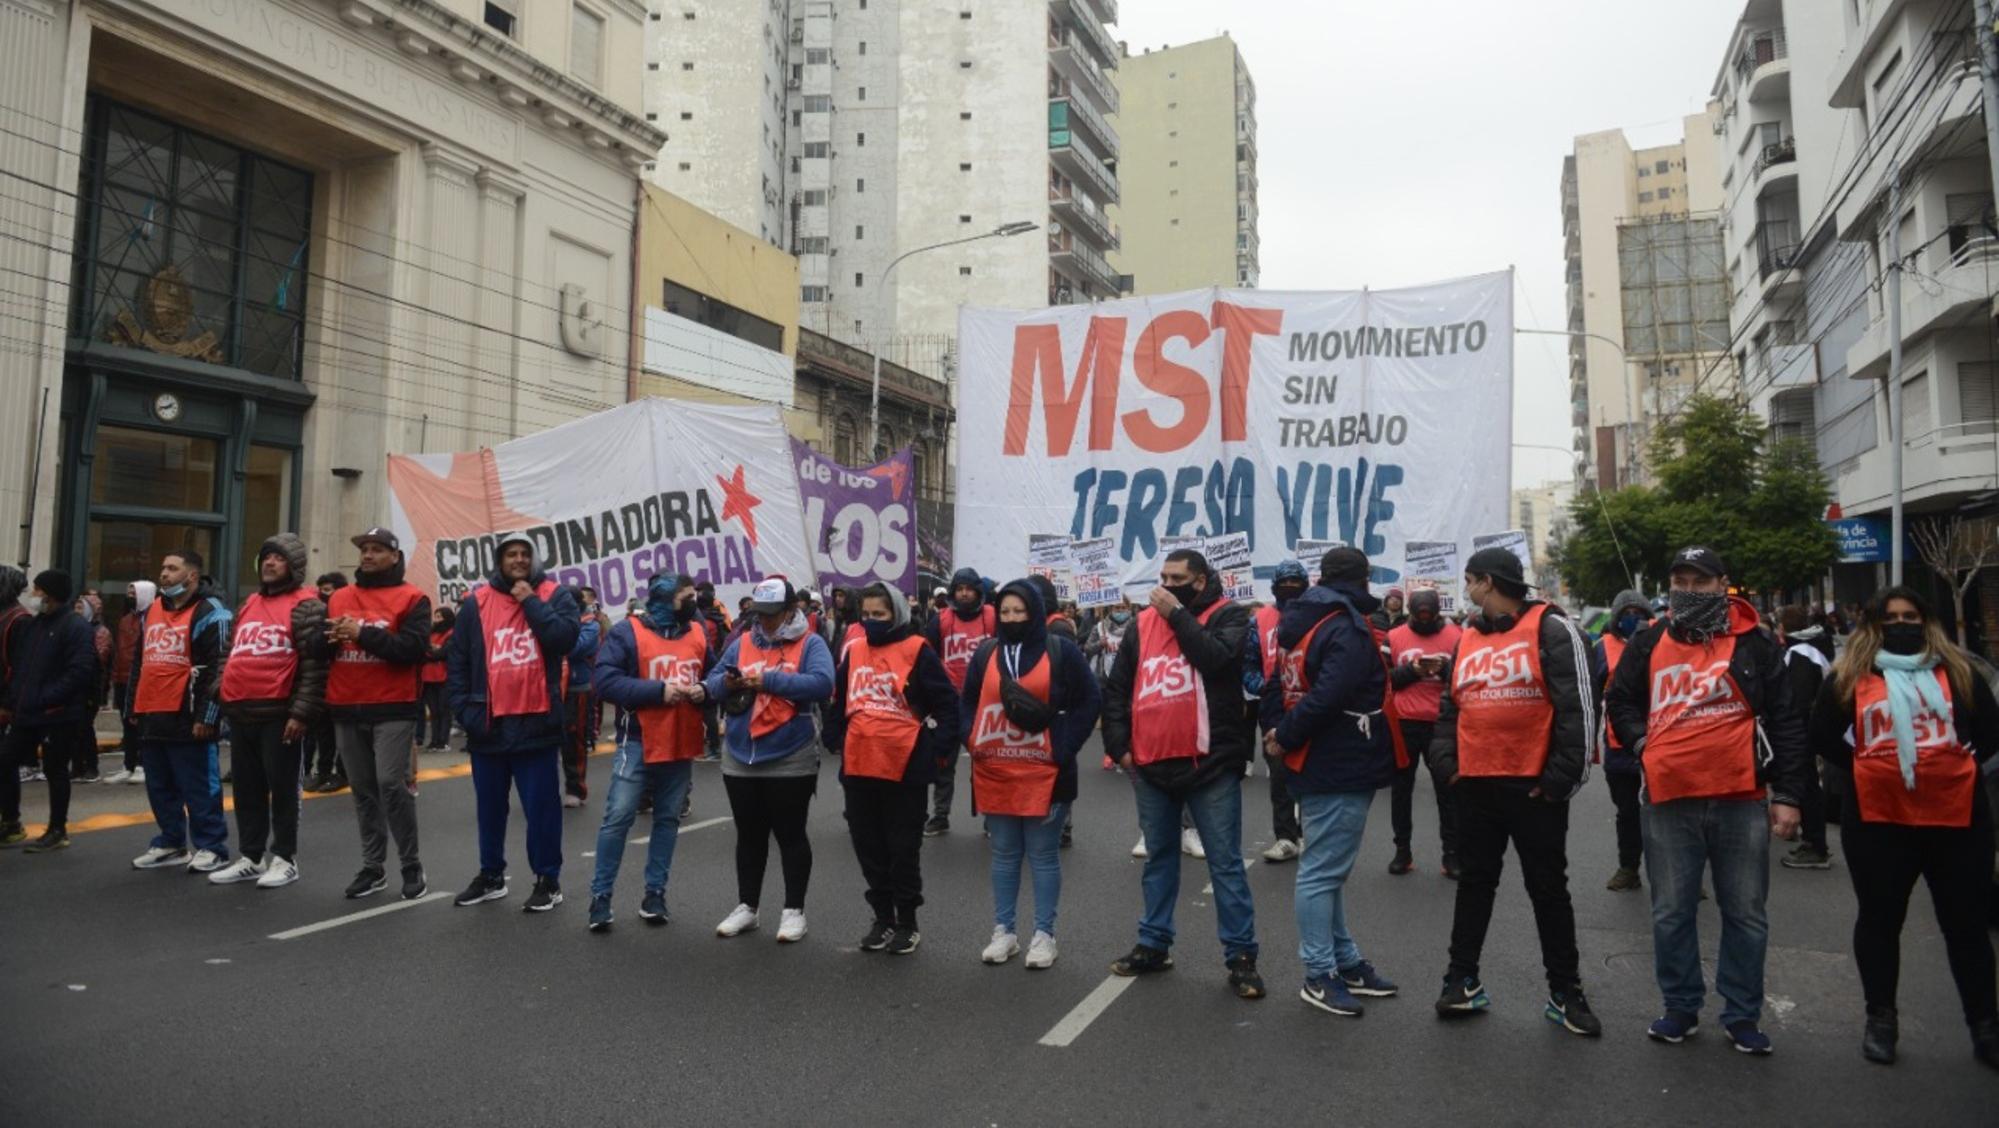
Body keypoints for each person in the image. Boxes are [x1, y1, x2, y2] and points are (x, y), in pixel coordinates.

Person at [1605, 546, 1807, 1054]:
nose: (1689, 590)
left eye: (1701, 581)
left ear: (1723, 585)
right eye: (1681, 581)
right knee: (1671, 911)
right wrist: (1640, 743)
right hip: (1669, 797)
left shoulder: (1754, 644)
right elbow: (1620, 700)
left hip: (1741, 797)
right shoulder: (1649, 642)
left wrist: (1788, 794)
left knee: (1746, 913)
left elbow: (1786, 717)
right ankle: (1680, 1007)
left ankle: (1742, 1014)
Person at [1807, 586, 1998, 1068]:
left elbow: (1991, 733)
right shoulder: (1847, 677)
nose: (1901, 624)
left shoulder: (1960, 672)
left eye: (1910, 616)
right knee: (1879, 920)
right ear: (1873, 624)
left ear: (1926, 620)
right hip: (1878, 820)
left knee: (1966, 926)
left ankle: (1985, 1026)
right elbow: (1823, 736)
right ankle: (1881, 1020)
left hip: (1957, 819)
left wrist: (1956, 767)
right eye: (1890, 617)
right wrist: (1869, 767)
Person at [1425, 546, 1599, 1036]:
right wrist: (1448, 767)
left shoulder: (1552, 628)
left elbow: (1579, 709)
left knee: (1548, 890)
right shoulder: (1467, 638)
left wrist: (1558, 781)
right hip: (1476, 787)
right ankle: (1461, 980)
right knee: (1475, 884)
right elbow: (1449, 711)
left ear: (1487, 581)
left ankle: (1565, 991)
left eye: (1470, 580)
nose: (1466, 589)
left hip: (1534, 790)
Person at [1101, 549, 1265, 1000]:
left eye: (1178, 578)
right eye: (1163, 577)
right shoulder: (1140, 624)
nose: (1166, 584)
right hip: (1152, 763)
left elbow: (1215, 659)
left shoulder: (1228, 615)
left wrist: (1176, 616)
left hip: (1209, 764)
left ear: (1199, 581)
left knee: (1225, 863)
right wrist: (1120, 747)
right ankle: (1154, 943)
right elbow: (1118, 687)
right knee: (1159, 859)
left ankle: (1241, 958)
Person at [1265, 548, 1404, 1016]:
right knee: (1322, 871)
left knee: (1329, 869)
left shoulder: (1303, 619)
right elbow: (1331, 693)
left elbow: (1278, 685)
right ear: (1363, 580)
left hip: (1319, 755)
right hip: (1339, 756)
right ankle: (1318, 974)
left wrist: (1281, 732)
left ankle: (1343, 962)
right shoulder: (1342, 625)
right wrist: (1284, 735)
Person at [957, 579, 1098, 968]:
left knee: (1042, 854)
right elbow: (967, 699)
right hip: (996, 771)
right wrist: (971, 739)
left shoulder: (1062, 651)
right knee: (1003, 853)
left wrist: (1065, 747)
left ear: (1035, 612)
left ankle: (1043, 935)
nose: (1013, 618)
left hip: (1046, 773)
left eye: (1020, 611)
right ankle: (1004, 932)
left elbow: (1090, 699)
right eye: (1005, 612)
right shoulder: (986, 652)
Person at [447, 533, 582, 913]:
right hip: (488, 724)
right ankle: (491, 875)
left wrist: (530, 601)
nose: (519, 560)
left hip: (535, 723)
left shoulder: (555, 595)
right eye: (511, 554)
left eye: (525, 554)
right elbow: (457, 660)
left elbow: (563, 639)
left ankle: (547, 879)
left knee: (541, 810)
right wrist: (465, 711)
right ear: (499, 560)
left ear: (534, 560)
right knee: (489, 809)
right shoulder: (476, 602)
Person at [827, 582, 961, 955]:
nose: (871, 622)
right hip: (859, 765)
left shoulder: (917, 649)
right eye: (866, 615)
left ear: (897, 614)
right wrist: (834, 735)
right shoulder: (853, 650)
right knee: (868, 847)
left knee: (902, 848)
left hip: (905, 768)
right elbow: (839, 701)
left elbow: (947, 705)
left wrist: (936, 750)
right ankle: (882, 918)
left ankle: (907, 921)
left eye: (879, 615)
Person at [702, 577, 835, 942]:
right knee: (749, 835)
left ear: (792, 610)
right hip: (741, 752)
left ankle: (794, 911)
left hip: (791, 753)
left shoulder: (811, 642)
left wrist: (768, 681)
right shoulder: (742, 640)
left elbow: (823, 684)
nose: (765, 622)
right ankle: (748, 907)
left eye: (773, 615)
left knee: (790, 834)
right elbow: (712, 683)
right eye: (760, 614)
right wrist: (728, 684)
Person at [585, 574, 711, 931]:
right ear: (666, 599)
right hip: (638, 740)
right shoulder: (628, 632)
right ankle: (601, 897)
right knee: (619, 817)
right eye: (686, 597)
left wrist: (706, 689)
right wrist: (657, 691)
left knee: (668, 818)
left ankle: (655, 893)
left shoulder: (698, 632)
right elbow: (605, 681)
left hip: (681, 740)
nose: (693, 603)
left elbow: (713, 674)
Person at [209, 534, 326, 888]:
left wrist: (301, 714)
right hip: (241, 711)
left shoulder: (308, 606)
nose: (271, 564)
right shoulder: (249, 603)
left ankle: (285, 858)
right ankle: (251, 856)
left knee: (283, 790)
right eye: (266, 558)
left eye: (278, 558)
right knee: (246, 789)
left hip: (280, 714)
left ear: (294, 565)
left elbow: (315, 666)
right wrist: (220, 690)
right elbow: (229, 652)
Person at [319, 529, 429, 900]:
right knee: (364, 791)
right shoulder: (338, 598)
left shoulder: (413, 598)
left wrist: (362, 633)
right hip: (346, 706)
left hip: (393, 707)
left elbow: (413, 649)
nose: (367, 555)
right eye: (364, 549)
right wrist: (326, 642)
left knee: (390, 784)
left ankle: (411, 865)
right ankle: (373, 867)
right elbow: (320, 649)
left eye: (377, 550)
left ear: (394, 557)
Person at [125, 551, 234, 873]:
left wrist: (208, 716)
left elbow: (219, 669)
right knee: (160, 786)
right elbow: (139, 661)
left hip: (188, 715)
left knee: (199, 785)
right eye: (163, 567)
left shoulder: (213, 611)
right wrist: (133, 704)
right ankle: (171, 842)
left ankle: (212, 846)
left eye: (172, 568)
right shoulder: (154, 608)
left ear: (191, 576)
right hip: (152, 710)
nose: (164, 574)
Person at [0, 570, 101, 851]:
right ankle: (10, 821)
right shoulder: (35, 626)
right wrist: (14, 701)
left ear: (52, 594)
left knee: (56, 770)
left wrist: (47, 697)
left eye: (38, 590)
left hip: (58, 714)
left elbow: (79, 672)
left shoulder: (75, 627)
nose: (34, 595)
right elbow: (20, 667)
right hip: (28, 712)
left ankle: (57, 829)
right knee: (5, 760)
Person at [1386, 587, 1464, 876]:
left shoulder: (1457, 636)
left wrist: (1444, 670)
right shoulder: (1393, 637)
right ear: (1409, 611)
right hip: (1405, 722)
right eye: (1419, 617)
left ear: (1438, 612)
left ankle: (1452, 855)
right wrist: (1413, 671)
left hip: (1443, 724)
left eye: (1429, 617)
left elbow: (1467, 677)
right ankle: (1402, 852)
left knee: (1448, 790)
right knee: (1401, 790)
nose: (1424, 621)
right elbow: (1382, 680)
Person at [920, 567, 996, 836]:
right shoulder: (940, 619)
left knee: (985, 761)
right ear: (953, 592)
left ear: (978, 591)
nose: (964, 593)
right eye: (959, 589)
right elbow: (926, 658)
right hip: (949, 701)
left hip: (984, 700)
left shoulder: (992, 616)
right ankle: (941, 815)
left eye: (969, 588)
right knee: (943, 759)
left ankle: (991, 817)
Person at [1244, 563, 1310, 862]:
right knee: (1280, 775)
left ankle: (1311, 834)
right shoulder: (1260, 620)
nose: (1291, 586)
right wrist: (1265, 688)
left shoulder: (1318, 614)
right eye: (1285, 582)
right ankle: (1285, 837)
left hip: (1311, 703)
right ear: (1274, 586)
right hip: (1274, 707)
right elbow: (1248, 664)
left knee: (1314, 771)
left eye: (1296, 581)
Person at [1590, 589, 1653, 892]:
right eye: (1626, 613)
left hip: (1660, 739)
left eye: (1639, 613)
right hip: (1618, 744)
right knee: (1627, 812)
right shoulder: (1602, 648)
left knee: (1669, 810)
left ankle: (1681, 874)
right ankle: (1628, 868)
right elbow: (1590, 694)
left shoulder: (1661, 640)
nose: (1633, 618)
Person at [1778, 604, 1838, 871]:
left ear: (1783, 627)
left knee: (1807, 786)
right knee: (1808, 783)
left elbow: (1799, 700)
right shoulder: (1812, 649)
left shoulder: (1800, 653)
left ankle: (1815, 845)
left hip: (1803, 730)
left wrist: (1793, 734)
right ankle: (1813, 840)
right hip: (1810, 727)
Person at [304, 571, 350, 792]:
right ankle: (322, 772)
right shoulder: (320, 617)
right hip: (323, 683)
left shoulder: (350, 614)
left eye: (328, 590)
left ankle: (342, 773)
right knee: (323, 733)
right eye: (321, 590)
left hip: (345, 686)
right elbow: (313, 648)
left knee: (343, 734)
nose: (323, 595)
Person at [559, 586, 604, 808]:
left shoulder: (591, 625)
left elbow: (575, 648)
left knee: (574, 740)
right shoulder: (555, 621)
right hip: (552, 688)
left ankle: (575, 788)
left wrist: (555, 639)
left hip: (577, 687)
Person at [103, 581, 149, 785]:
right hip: (122, 678)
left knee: (139, 723)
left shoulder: (149, 620)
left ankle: (141, 763)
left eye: (134, 593)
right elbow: (119, 652)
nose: (130, 596)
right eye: (129, 593)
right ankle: (128, 764)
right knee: (126, 723)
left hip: (139, 676)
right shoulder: (125, 621)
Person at [71, 590, 111, 783]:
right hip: (73, 688)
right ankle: (77, 766)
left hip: (90, 687)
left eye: (81, 607)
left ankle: (91, 767)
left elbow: (99, 660)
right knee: (74, 729)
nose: (76, 611)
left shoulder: (100, 632)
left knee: (85, 728)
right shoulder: (73, 629)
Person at [694, 580, 730, 761]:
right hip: (715, 665)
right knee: (709, 709)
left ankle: (714, 748)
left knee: (707, 709)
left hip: (708, 667)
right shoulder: (719, 616)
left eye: (699, 592)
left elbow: (702, 646)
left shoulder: (705, 621)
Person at [417, 606, 454, 752]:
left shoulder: (451, 634)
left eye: (439, 617)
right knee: (434, 712)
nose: (436, 620)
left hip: (444, 677)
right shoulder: (431, 634)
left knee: (444, 711)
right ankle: (434, 741)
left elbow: (443, 653)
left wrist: (428, 653)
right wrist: (431, 652)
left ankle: (443, 741)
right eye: (435, 616)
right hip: (428, 677)